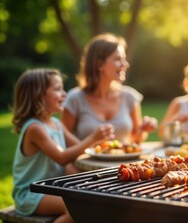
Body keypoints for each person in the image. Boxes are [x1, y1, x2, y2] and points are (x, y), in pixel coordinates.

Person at [11, 68, 114, 222]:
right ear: (39, 95)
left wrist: (102, 143)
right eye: (58, 89)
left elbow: (80, 147)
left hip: (50, 188)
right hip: (31, 193)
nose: (64, 94)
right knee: (77, 209)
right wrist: (92, 138)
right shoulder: (35, 128)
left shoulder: (57, 124)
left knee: (89, 201)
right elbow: (61, 157)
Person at [62, 33, 157, 144]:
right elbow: (63, 140)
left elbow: (135, 141)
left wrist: (142, 130)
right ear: (100, 65)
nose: (125, 64)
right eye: (118, 59)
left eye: (124, 59)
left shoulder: (129, 97)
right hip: (85, 161)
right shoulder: (75, 99)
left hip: (122, 161)